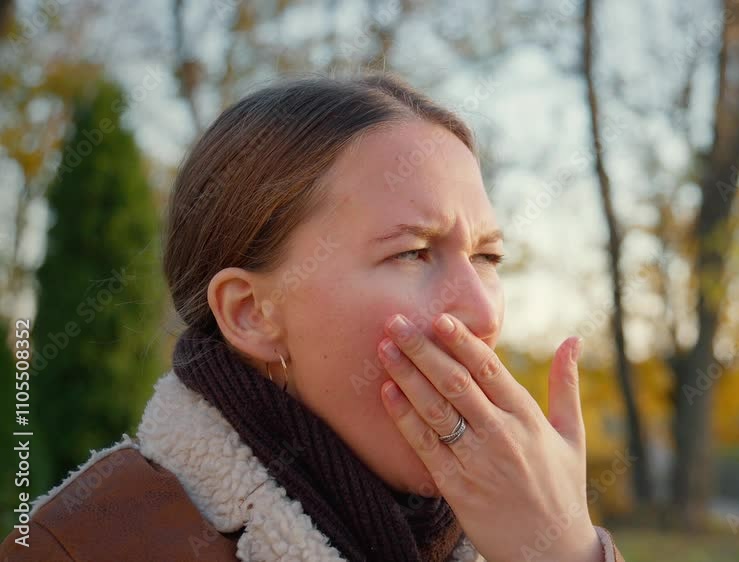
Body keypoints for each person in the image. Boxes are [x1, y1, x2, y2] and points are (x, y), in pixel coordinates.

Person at [0, 73, 626, 561]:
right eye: (411, 253)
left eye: (487, 255)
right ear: (250, 314)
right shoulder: (84, 547)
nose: (484, 310)